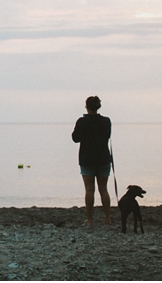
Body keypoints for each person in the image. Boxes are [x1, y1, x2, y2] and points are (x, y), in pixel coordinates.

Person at [71, 95, 112, 226]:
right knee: (103, 189)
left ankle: (90, 220)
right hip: (103, 157)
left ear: (86, 107)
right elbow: (107, 136)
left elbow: (75, 138)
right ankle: (107, 219)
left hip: (87, 158)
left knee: (89, 190)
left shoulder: (82, 121)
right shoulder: (106, 121)